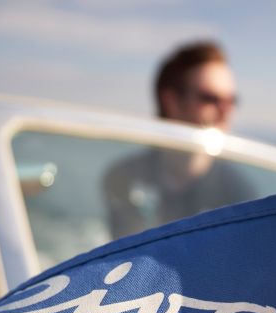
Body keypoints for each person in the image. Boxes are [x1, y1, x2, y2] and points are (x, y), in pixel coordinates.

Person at [104, 41, 256, 238]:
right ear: (171, 102)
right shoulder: (123, 177)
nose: (226, 112)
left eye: (231, 101)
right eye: (210, 99)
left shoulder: (238, 194)